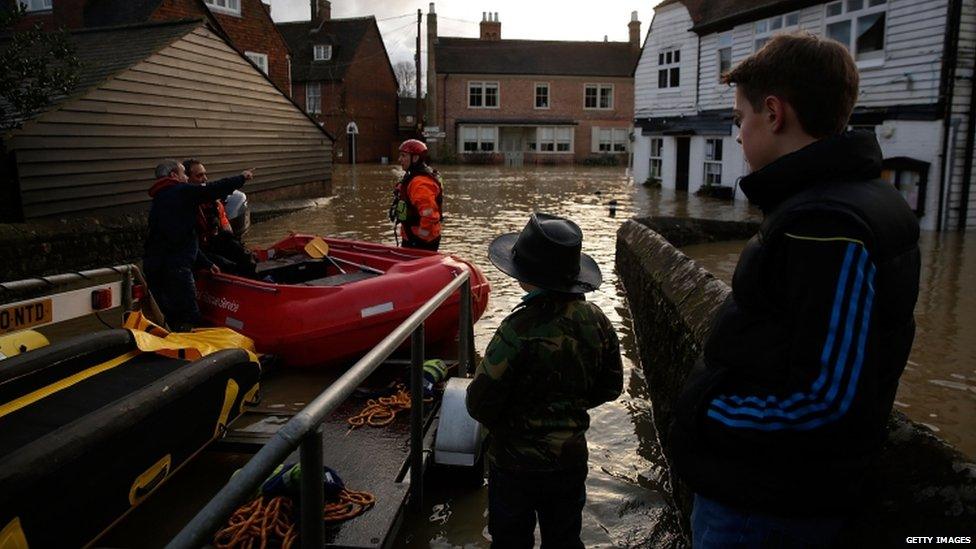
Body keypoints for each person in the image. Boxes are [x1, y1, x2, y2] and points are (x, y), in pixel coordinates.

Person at [669, 33, 920, 547]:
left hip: (765, 510)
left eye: (740, 120)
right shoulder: (844, 201)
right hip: (771, 495)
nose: (737, 136)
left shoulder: (828, 224)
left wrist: (702, 413)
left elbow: (824, 402)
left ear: (774, 112)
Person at [466, 212, 623, 549]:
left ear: (528, 277)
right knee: (565, 539)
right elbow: (611, 387)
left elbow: (478, 403)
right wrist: (568, 403)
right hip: (569, 460)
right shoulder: (597, 321)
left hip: (513, 465)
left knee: (510, 541)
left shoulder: (517, 329)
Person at [143, 159, 254, 332]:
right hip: (176, 268)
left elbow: (183, 238)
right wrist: (241, 178)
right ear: (173, 175)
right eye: (184, 174)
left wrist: (206, 263)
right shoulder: (180, 192)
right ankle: (193, 349)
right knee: (190, 316)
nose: (186, 178)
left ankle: (172, 339)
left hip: (156, 266)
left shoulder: (160, 198)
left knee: (169, 314)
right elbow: (213, 189)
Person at [183, 158, 257, 277]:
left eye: (205, 174)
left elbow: (226, 228)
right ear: (187, 178)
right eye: (199, 175)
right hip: (195, 252)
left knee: (243, 256)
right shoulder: (184, 201)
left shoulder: (213, 202)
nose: (205, 179)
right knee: (228, 266)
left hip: (211, 245)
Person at [389, 139, 443, 250]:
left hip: (420, 241)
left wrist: (420, 237)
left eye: (403, 156)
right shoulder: (413, 176)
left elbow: (429, 214)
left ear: (415, 158)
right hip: (412, 235)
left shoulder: (420, 184)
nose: (400, 159)